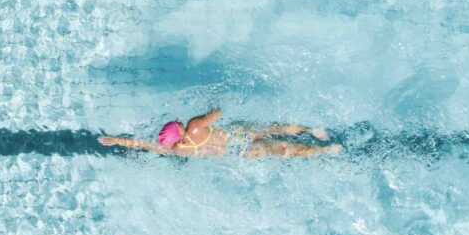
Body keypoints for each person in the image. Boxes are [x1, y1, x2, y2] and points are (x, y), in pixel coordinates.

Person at [97, 108, 342, 158]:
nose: (180, 121)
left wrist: (114, 141)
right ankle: (313, 131)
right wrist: (211, 110)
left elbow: (141, 144)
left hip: (239, 152)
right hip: (236, 135)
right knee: (274, 129)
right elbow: (217, 113)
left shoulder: (177, 151)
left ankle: (324, 151)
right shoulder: (194, 126)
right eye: (177, 123)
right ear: (181, 129)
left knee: (281, 150)